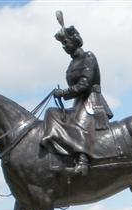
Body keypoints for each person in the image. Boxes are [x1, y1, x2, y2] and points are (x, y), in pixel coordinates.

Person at [41, 11, 113, 175]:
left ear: (75, 41)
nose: (64, 46)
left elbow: (85, 83)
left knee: (79, 121)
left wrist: (64, 92)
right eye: (62, 44)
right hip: (78, 101)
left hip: (91, 101)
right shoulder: (72, 63)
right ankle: (59, 151)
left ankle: (83, 160)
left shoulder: (89, 56)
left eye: (66, 42)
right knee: (51, 112)